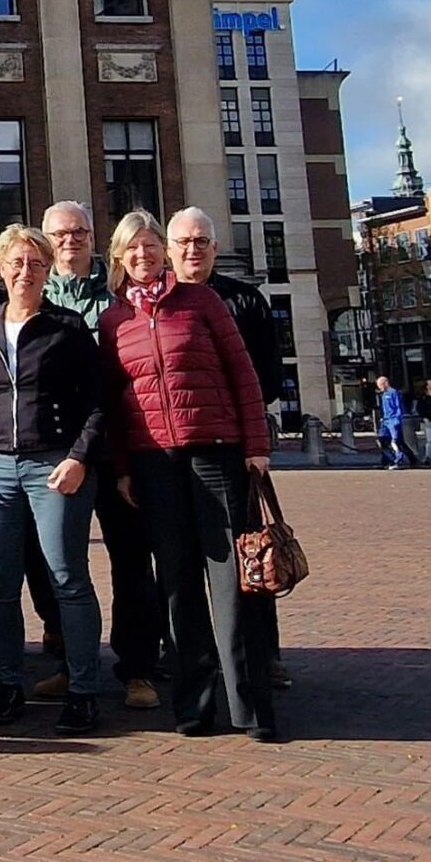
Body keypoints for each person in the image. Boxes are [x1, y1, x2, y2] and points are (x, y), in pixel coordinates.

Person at [98, 208, 277, 742]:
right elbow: (115, 403)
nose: (143, 256)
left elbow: (243, 373)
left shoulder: (202, 302)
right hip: (154, 462)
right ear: (119, 259)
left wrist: (257, 446)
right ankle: (194, 705)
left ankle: (250, 707)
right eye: (132, 249)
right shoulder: (113, 322)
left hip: (215, 452)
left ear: (165, 253)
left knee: (231, 583)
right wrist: (126, 469)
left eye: (151, 246)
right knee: (176, 585)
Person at [0, 224, 107, 735]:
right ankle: (7, 684)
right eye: (17, 263)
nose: (26, 272)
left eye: (37, 264)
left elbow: (97, 401)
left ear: (48, 271)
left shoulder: (66, 327)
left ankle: (84, 689)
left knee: (67, 577)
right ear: (1, 268)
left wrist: (79, 458)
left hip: (55, 464)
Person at [168, 206, 290, 691]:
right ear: (170, 250)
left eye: (202, 242)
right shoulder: (155, 302)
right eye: (184, 242)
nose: (193, 250)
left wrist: (246, 435)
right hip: (175, 453)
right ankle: (193, 655)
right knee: (183, 559)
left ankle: (264, 654)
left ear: (215, 249)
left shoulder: (246, 301)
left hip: (235, 447)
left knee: (249, 553)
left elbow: (267, 377)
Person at [40, 199, 154, 709]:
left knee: (132, 561)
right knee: (61, 564)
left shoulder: (120, 297)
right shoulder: (33, 296)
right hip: (58, 454)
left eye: (80, 231)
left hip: (116, 450)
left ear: (93, 237)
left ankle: (138, 669)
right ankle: (73, 662)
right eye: (61, 233)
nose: (71, 241)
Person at [374, 376, 417, 469]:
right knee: (382, 440)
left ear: (385, 383)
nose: (379, 388)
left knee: (396, 441)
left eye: (380, 385)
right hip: (385, 420)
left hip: (393, 420)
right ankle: (388, 460)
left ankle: (397, 460)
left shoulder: (393, 393)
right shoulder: (383, 394)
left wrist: (397, 419)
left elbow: (398, 407)